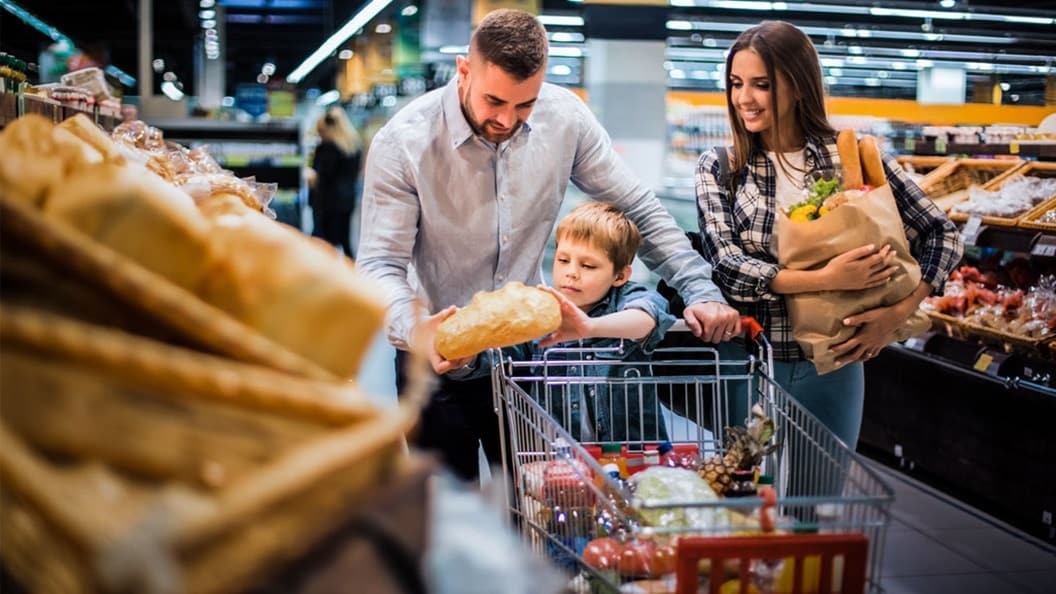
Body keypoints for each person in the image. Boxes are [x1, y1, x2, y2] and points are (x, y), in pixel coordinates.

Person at [358, 9, 740, 482]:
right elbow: (379, 265)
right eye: (494, 100)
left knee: (542, 514)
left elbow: (638, 207)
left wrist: (700, 288)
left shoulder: (565, 119)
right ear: (464, 71)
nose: (507, 119)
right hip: (434, 361)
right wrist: (419, 331)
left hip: (529, 362)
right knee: (443, 523)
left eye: (525, 105)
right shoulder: (403, 143)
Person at [695, 21, 963, 448]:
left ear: (798, 85)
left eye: (761, 84)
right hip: (747, 361)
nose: (744, 98)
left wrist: (897, 315)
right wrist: (828, 279)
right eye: (736, 83)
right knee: (745, 504)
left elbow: (942, 235)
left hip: (835, 363)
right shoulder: (723, 167)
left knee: (814, 505)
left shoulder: (853, 157)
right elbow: (728, 267)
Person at [453, 202, 677, 443]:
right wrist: (468, 360)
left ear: (620, 276)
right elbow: (502, 353)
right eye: (563, 260)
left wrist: (590, 327)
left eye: (588, 265)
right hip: (561, 461)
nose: (571, 272)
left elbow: (648, 316)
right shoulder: (539, 311)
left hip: (634, 455)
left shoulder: (628, 300)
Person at [308, 106, 362, 256]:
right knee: (345, 241)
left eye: (321, 131)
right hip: (347, 200)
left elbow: (323, 175)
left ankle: (326, 277)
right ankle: (350, 274)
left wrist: (312, 177)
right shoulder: (354, 147)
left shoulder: (327, 148)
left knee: (323, 245)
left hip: (327, 202)